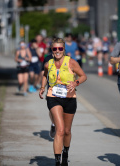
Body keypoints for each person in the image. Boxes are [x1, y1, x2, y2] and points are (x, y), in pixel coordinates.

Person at [39, 38, 87, 166]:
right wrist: (43, 87)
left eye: (60, 48)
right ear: (52, 50)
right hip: (53, 97)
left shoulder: (71, 62)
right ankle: (57, 162)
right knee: (59, 130)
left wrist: (75, 82)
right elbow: (45, 75)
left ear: (64, 49)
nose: (57, 51)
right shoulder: (48, 64)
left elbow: (83, 76)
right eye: (55, 49)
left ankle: (65, 153)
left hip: (70, 98)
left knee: (67, 131)